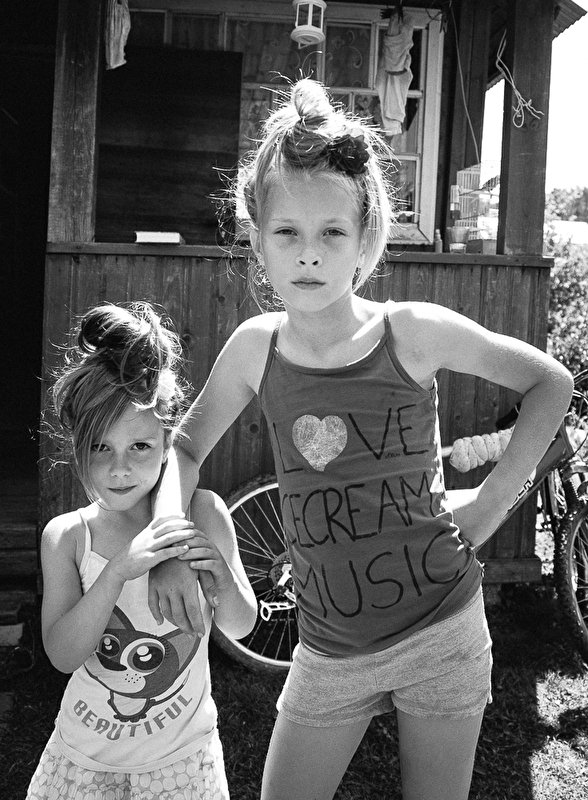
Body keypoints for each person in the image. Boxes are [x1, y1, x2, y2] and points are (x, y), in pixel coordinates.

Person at [148, 79, 574, 800]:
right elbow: (183, 451)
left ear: (365, 239)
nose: (308, 255)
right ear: (258, 241)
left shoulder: (411, 332)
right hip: (328, 651)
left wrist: (490, 505)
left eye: (331, 234)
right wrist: (165, 544)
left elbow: (550, 384)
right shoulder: (255, 348)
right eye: (287, 233)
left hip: (442, 631)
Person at [26, 301, 257, 800]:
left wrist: (219, 576)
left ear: (168, 440)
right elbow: (63, 656)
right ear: (76, 443)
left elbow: (241, 626)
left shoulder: (206, 513)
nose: (119, 469)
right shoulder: (68, 537)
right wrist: (116, 572)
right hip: (84, 761)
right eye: (100, 447)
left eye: (140, 447)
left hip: (184, 761)